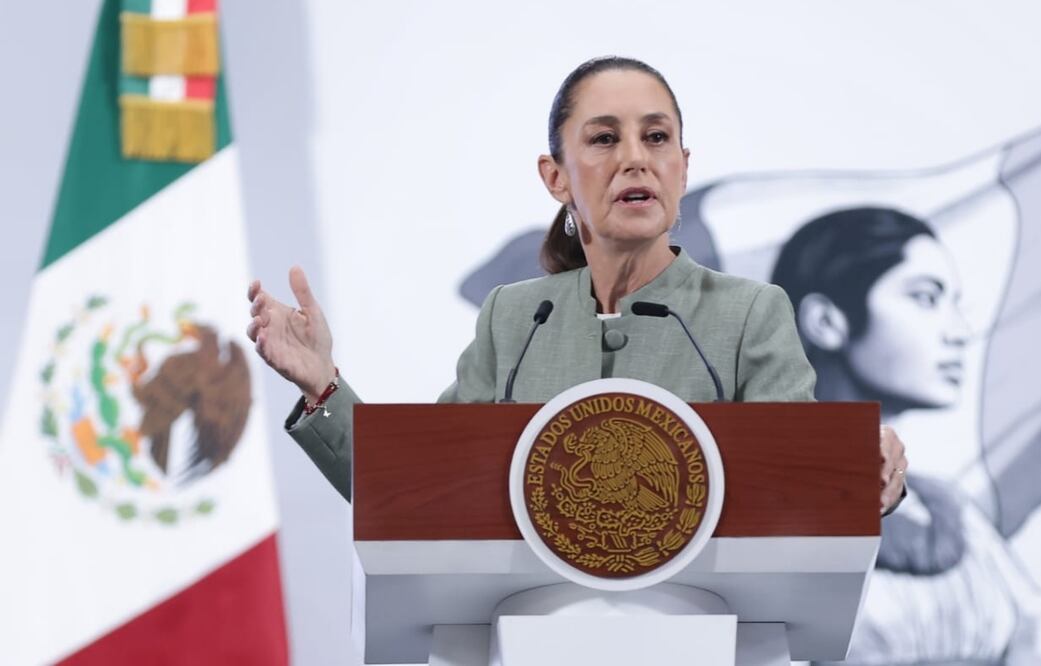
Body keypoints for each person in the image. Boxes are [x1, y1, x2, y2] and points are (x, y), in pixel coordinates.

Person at [245, 57, 908, 515]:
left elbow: (799, 488)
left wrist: (866, 481)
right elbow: (417, 489)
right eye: (604, 139)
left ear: (682, 168)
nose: (635, 158)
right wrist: (322, 384)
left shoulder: (750, 313)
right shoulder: (514, 319)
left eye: (656, 137)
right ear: (555, 177)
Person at [772, 207, 1041, 665]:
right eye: (925, 298)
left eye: (956, 304)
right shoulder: (748, 504)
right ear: (827, 322)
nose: (960, 332)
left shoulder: (951, 513)